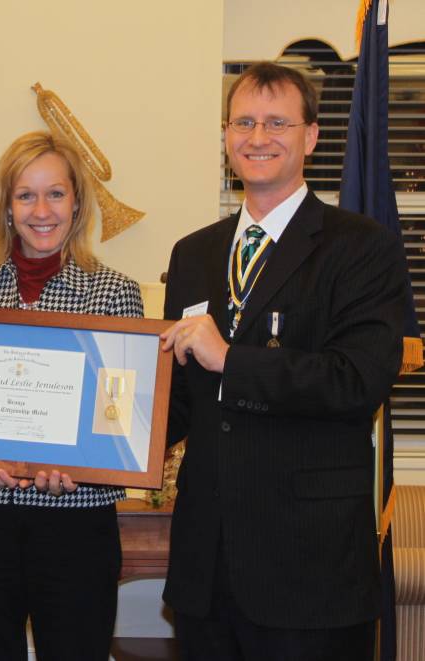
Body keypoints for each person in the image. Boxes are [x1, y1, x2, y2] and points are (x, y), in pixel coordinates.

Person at [160, 61, 408, 661]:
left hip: (309, 568)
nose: (257, 136)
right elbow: (179, 402)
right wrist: (76, 450)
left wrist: (230, 360)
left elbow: (358, 381)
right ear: (225, 136)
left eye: (277, 122)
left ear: (311, 137)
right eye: (243, 121)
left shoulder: (362, 246)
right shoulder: (193, 253)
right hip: (208, 567)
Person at [0, 131, 143, 661]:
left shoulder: (116, 292)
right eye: (25, 195)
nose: (41, 210)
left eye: (55, 194)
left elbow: (118, 418)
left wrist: (81, 465)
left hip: (76, 520)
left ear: (77, 203)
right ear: (6, 207)